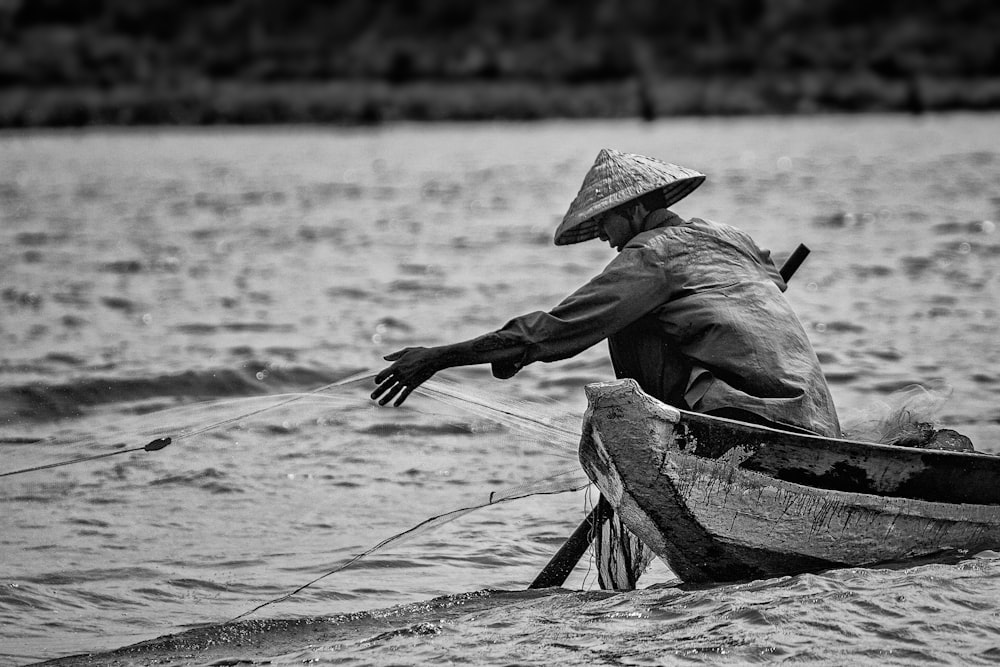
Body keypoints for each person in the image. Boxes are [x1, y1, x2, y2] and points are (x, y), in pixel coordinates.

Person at [371, 148, 840, 439]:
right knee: (648, 316)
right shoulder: (731, 236)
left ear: (636, 209)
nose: (602, 236)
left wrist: (437, 358)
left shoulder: (649, 258)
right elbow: (768, 286)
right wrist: (522, 350)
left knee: (631, 319)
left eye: (605, 222)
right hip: (816, 417)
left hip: (750, 419)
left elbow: (556, 330)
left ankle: (669, 439)